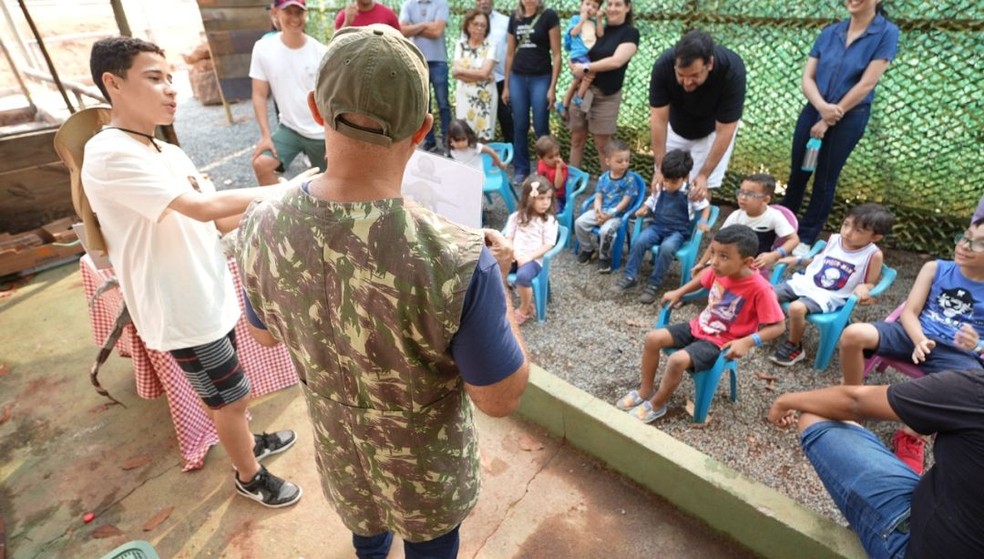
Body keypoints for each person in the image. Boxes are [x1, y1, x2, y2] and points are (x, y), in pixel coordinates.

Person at [237, 25, 530, 557]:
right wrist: (498, 286)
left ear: (316, 109)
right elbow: (500, 398)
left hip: (344, 460)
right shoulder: (461, 259)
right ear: (422, 129)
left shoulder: (259, 224)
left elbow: (261, 336)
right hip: (428, 480)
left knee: (366, 541)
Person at [82, 36, 302, 508]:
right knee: (231, 398)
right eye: (154, 78)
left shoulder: (167, 151)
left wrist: (284, 206)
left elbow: (221, 218)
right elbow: (202, 208)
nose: (170, 89)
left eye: (170, 78)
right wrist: (290, 191)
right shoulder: (108, 154)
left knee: (231, 392)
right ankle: (249, 474)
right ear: (113, 83)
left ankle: (242, 438)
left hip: (209, 292)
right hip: (180, 306)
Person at [768, 370, 984, 559]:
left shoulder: (976, 390)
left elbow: (856, 402)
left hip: (918, 544)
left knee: (816, 415)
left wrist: (785, 400)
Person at [616, 224, 785, 423]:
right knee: (653, 338)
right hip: (699, 326)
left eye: (723, 256)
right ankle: (645, 391)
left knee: (677, 360)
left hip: (721, 343)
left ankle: (657, 404)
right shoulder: (720, 270)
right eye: (713, 253)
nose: (713, 262)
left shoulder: (761, 289)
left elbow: (778, 326)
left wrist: (748, 341)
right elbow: (702, 280)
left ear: (746, 262)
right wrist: (680, 292)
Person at [781, 0, 899, 252]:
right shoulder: (830, 32)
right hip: (814, 108)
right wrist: (821, 108)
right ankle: (781, 229)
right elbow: (807, 77)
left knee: (825, 177)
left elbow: (867, 83)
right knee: (798, 173)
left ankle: (805, 238)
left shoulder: (887, 33)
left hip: (850, 115)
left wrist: (830, 117)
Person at [839, 217, 984, 387]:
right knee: (853, 334)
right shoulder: (935, 268)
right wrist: (920, 340)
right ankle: (851, 393)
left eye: (980, 243)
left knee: (973, 386)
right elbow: (909, 312)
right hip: (911, 334)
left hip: (956, 354)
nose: (965, 245)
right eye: (966, 237)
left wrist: (978, 345)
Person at [770, 203, 893, 366]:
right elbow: (820, 261)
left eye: (858, 230)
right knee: (768, 293)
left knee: (796, 308)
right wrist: (799, 259)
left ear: (875, 237)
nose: (847, 232)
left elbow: (871, 282)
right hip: (807, 282)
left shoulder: (873, 254)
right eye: (846, 225)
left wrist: (864, 287)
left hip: (830, 295)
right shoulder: (835, 240)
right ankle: (764, 326)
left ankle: (794, 346)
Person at [648, 29, 745, 201]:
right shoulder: (663, 65)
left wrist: (703, 175)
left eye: (694, 75)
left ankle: (695, 226)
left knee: (698, 189)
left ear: (710, 64)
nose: (686, 82)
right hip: (676, 124)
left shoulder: (732, 70)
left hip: (711, 131)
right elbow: (658, 119)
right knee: (665, 181)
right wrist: (659, 167)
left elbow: (726, 129)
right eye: (680, 75)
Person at [249, 0, 327, 186]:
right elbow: (259, 94)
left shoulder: (320, 52)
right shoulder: (263, 49)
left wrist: (334, 140)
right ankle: (278, 209)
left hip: (320, 132)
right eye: (288, 12)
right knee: (262, 164)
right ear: (275, 13)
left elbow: (332, 100)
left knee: (327, 186)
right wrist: (266, 136)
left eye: (299, 12)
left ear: (305, 14)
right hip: (290, 127)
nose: (294, 18)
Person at [619, 149, 710, 304]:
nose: (668, 185)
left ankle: (654, 284)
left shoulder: (690, 192)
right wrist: (645, 208)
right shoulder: (661, 185)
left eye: (673, 182)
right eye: (666, 180)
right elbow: (652, 200)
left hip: (677, 232)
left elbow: (706, 206)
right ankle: (630, 275)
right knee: (640, 241)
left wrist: (703, 221)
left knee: (667, 248)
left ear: (685, 177)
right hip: (657, 227)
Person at [567, 0, 639, 171]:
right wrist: (573, 66)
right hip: (583, 92)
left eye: (618, 4)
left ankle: (608, 188)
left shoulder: (630, 33)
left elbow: (616, 61)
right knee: (576, 140)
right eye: (610, 4)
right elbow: (576, 50)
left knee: (603, 146)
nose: (612, 8)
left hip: (606, 95)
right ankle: (572, 182)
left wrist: (586, 68)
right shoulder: (596, 27)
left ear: (627, 8)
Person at [502, 0, 561, 184]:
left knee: (541, 125)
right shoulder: (515, 17)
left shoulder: (548, 16)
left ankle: (545, 170)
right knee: (519, 124)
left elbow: (557, 54)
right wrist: (506, 85)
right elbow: (510, 53)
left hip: (541, 77)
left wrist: (552, 87)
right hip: (518, 77)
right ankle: (521, 169)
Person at [693, 174, 798, 276]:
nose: (743, 197)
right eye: (741, 192)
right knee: (705, 274)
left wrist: (774, 255)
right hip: (731, 261)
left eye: (750, 194)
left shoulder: (774, 216)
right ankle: (681, 292)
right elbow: (717, 241)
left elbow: (794, 240)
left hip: (755, 265)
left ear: (765, 200)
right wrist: (702, 263)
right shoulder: (736, 216)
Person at [574, 139, 642, 273]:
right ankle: (588, 249)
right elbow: (598, 196)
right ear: (608, 161)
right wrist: (598, 209)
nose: (624, 164)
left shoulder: (630, 179)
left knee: (607, 231)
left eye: (627, 160)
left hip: (618, 215)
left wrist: (610, 214)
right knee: (579, 222)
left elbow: (626, 201)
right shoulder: (603, 178)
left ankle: (604, 257)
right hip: (602, 211)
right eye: (620, 161)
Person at [504, 176, 559, 324]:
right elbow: (509, 237)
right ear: (529, 199)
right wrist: (512, 253)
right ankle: (502, 302)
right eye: (541, 198)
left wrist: (528, 257)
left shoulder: (549, 221)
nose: (546, 202)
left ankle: (525, 308)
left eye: (548, 198)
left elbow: (548, 245)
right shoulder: (516, 217)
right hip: (515, 255)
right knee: (492, 268)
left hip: (534, 260)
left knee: (523, 277)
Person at [400, 0, 451, 153]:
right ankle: (429, 141)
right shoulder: (408, 4)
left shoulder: (441, 3)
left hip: (438, 61)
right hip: (416, 60)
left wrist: (414, 28)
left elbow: (437, 32)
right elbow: (402, 30)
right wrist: (425, 25)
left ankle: (449, 140)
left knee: (443, 104)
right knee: (423, 105)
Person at [452, 9, 498, 141]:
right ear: (468, 25)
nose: (479, 28)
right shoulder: (460, 45)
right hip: (464, 96)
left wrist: (463, 72)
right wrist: (480, 75)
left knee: (483, 136)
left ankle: (483, 162)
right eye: (476, 24)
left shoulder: (491, 45)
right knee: (463, 134)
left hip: (484, 98)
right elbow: (455, 73)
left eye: (483, 25)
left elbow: (484, 73)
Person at [474, 0, 513, 143]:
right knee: (481, 121)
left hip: (500, 79)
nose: (483, 2)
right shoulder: (469, 22)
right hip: (477, 80)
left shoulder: (505, 21)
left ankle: (511, 154)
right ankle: (481, 158)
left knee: (506, 119)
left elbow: (511, 51)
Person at [558, 0, 604, 115]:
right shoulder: (575, 19)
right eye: (587, 4)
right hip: (579, 54)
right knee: (591, 73)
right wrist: (582, 20)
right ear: (581, 5)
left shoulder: (593, 22)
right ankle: (578, 97)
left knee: (576, 80)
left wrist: (599, 19)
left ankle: (563, 104)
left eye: (594, 7)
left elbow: (600, 35)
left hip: (588, 55)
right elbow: (573, 33)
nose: (590, 8)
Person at [533, 135, 567, 211]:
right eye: (550, 157)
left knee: (549, 210)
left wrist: (558, 168)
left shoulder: (562, 167)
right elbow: (540, 178)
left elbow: (558, 186)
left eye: (557, 154)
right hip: (543, 193)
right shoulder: (541, 163)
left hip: (557, 197)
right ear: (541, 158)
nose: (555, 159)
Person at [334, 0, 400, 30]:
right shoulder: (344, 16)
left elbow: (399, 43)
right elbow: (335, 46)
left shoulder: (388, 14)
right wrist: (347, 22)